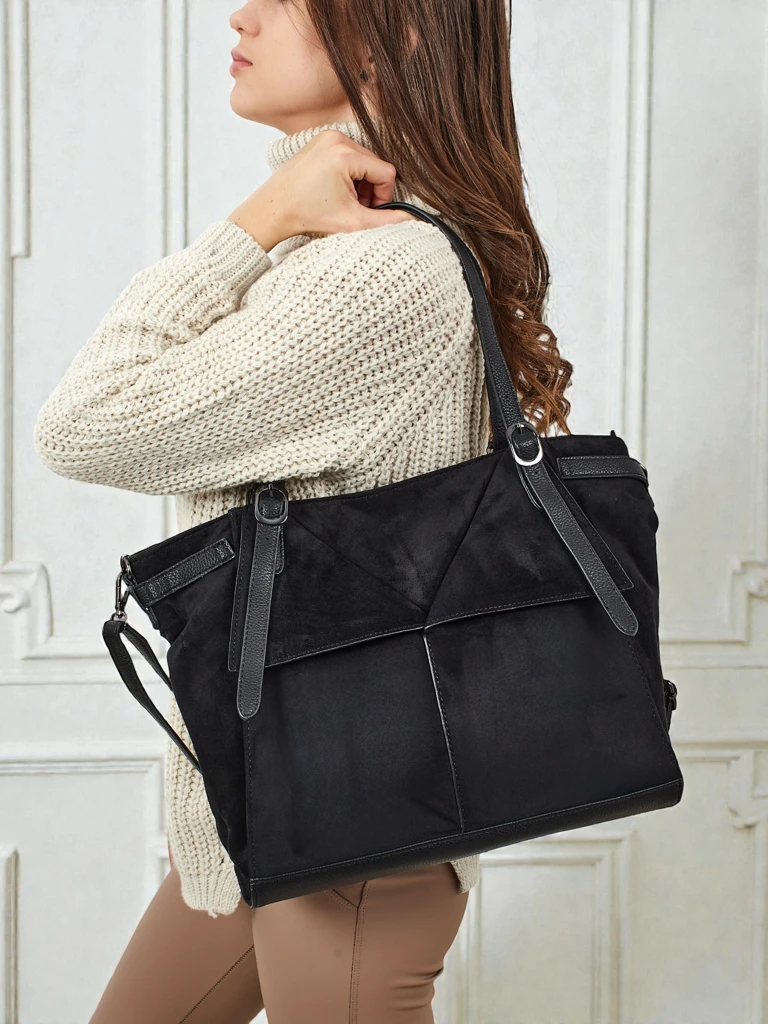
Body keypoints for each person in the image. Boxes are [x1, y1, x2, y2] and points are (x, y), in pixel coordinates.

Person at [33, 0, 572, 1020]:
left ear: (396, 29)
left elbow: (86, 424)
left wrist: (253, 223)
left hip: (353, 832)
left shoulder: (379, 268)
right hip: (273, 802)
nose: (241, 14)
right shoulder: (350, 248)